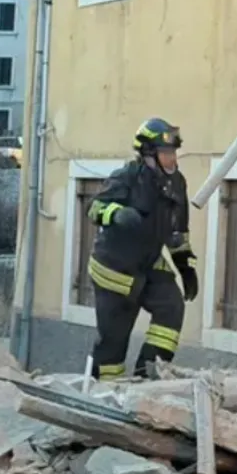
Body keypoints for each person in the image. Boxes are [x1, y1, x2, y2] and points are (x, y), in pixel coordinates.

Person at [85, 117, 197, 381]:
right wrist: (117, 213)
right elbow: (94, 208)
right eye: (166, 153)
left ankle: (148, 376)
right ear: (148, 155)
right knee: (113, 345)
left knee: (172, 307)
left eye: (173, 153)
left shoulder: (177, 183)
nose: (172, 159)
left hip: (149, 264)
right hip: (115, 271)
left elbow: (178, 231)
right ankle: (104, 395)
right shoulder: (125, 178)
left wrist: (185, 267)